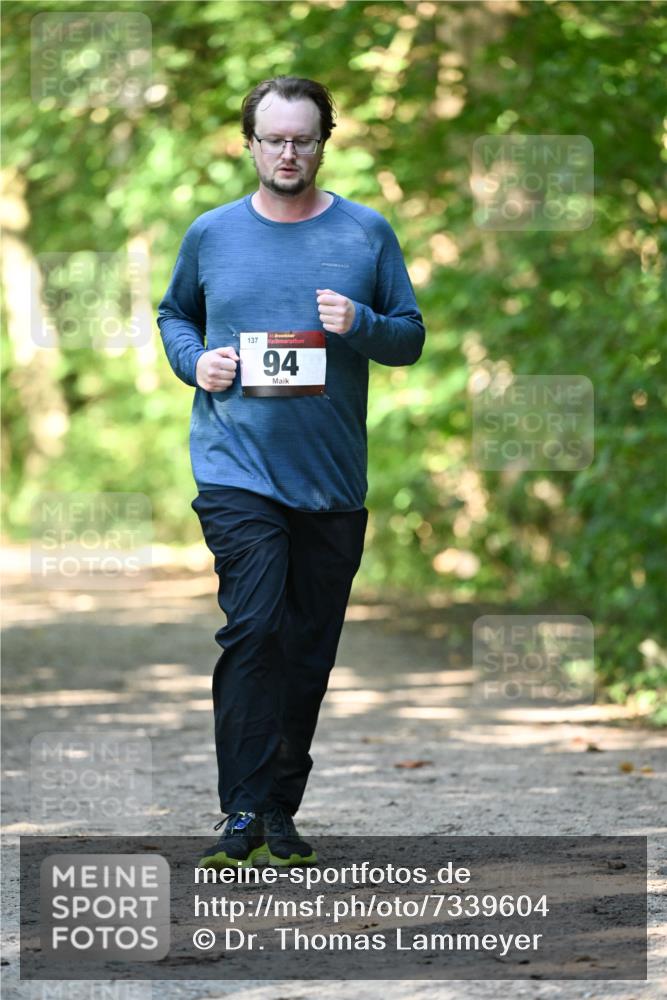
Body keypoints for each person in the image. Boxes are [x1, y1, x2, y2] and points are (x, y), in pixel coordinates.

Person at [157, 76, 425, 869]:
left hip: (332, 481)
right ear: (248, 143)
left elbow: (409, 337)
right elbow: (174, 313)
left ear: (323, 141)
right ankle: (239, 811)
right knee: (254, 630)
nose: (287, 151)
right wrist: (191, 361)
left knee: (307, 648)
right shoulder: (210, 234)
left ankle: (280, 809)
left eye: (301, 138)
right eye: (272, 138)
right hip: (236, 468)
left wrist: (363, 323)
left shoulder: (365, 233)